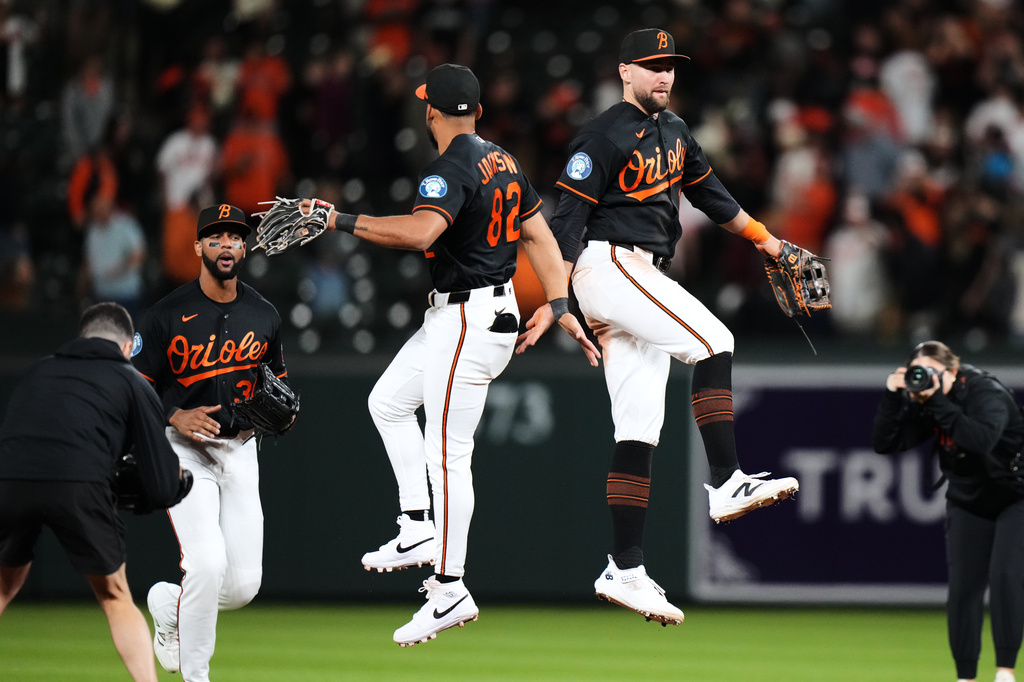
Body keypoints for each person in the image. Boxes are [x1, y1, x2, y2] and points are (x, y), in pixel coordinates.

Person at [524, 28, 802, 625]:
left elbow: (712, 195)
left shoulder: (675, 133)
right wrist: (556, 297)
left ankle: (624, 567)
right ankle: (726, 481)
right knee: (714, 341)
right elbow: (566, 221)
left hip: (635, 277)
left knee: (638, 429)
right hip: (608, 263)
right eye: (653, 67)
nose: (664, 76)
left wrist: (769, 242)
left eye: (670, 66)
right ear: (625, 71)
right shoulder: (598, 136)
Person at [316, 63, 599, 646]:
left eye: (427, 105)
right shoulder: (503, 159)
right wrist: (559, 301)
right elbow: (541, 236)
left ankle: (449, 589)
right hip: (469, 315)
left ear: (433, 112)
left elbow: (422, 234)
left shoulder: (449, 167)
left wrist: (341, 219)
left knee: (448, 454)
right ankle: (417, 526)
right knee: (389, 403)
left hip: (467, 320)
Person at [131, 204, 291, 681]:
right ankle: (196, 676)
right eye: (216, 237)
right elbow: (132, 384)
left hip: (240, 450)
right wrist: (174, 413)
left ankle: (169, 605)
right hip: (183, 450)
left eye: (235, 237)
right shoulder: (165, 315)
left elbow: (277, 382)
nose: (227, 245)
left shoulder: (264, 315)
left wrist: (279, 415)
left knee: (242, 585)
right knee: (205, 562)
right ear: (198, 246)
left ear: (245, 247)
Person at [0, 302, 192, 682]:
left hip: (10, 480)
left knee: (3, 585)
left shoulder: (39, 371)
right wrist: (180, 480)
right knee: (115, 596)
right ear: (126, 347)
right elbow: (160, 485)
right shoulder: (131, 380)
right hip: (79, 482)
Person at [872, 341, 1024, 682]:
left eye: (932, 372)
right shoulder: (927, 402)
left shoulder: (986, 393)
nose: (925, 380)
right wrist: (891, 395)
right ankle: (965, 677)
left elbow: (980, 439)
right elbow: (886, 443)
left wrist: (937, 400)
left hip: (1016, 496)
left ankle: (1005, 672)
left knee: (1005, 577)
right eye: (918, 372)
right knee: (963, 590)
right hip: (968, 497)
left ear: (952, 371)